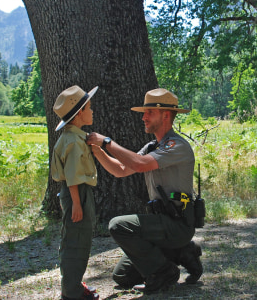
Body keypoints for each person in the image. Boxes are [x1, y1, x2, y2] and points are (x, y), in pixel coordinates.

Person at [87, 88, 203, 293]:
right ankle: (181, 252)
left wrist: (107, 141)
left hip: (177, 224)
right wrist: (98, 150)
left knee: (117, 225)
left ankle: (165, 272)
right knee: (122, 276)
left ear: (166, 115)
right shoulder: (153, 146)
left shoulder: (177, 146)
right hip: (161, 226)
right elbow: (121, 169)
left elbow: (139, 164)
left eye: (149, 112)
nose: (143, 117)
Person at [51, 85, 100, 300]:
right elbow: (72, 175)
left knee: (76, 237)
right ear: (79, 114)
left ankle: (74, 284)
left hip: (76, 192)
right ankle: (72, 292)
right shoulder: (73, 141)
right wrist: (77, 204)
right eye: (89, 107)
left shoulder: (73, 137)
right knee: (77, 240)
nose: (92, 111)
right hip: (76, 193)